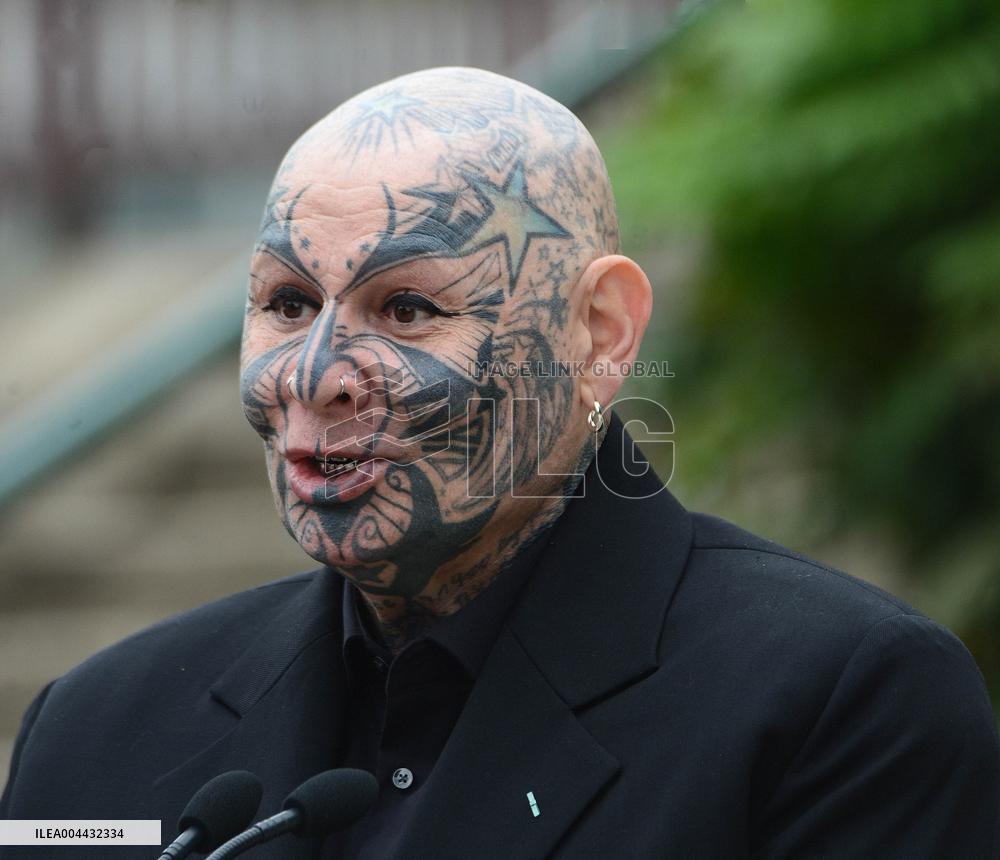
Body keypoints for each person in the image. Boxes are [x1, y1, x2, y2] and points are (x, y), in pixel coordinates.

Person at [2, 67, 998, 859]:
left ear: (600, 332)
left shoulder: (838, 705)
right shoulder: (94, 728)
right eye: (288, 302)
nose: (315, 375)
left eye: (407, 308)